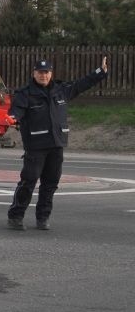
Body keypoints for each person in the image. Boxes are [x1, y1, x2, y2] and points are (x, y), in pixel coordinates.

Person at [6, 56, 108, 231]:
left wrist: (100, 72)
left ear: (51, 74)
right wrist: (13, 118)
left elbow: (81, 84)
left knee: (50, 183)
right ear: (34, 73)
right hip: (36, 147)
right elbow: (16, 112)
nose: (43, 76)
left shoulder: (61, 90)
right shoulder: (25, 94)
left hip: (56, 145)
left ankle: (43, 217)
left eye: (46, 73)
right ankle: (16, 216)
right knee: (28, 181)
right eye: (40, 72)